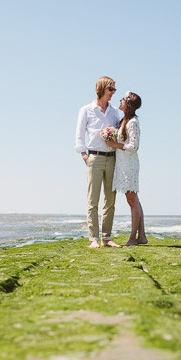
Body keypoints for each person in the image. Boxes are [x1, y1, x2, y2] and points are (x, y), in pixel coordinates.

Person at [75, 76, 121, 248]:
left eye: (114, 90)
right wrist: (84, 155)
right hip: (94, 158)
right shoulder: (86, 110)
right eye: (111, 89)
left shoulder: (114, 111)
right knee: (93, 199)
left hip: (112, 158)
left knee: (110, 199)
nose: (113, 93)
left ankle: (106, 238)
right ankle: (93, 238)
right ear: (102, 89)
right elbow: (79, 134)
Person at [106, 91, 146, 246]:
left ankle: (132, 238)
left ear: (128, 104)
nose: (120, 100)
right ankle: (141, 236)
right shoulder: (124, 120)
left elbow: (134, 146)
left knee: (132, 200)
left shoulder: (132, 122)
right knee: (133, 199)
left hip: (129, 165)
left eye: (123, 99)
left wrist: (115, 144)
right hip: (122, 163)